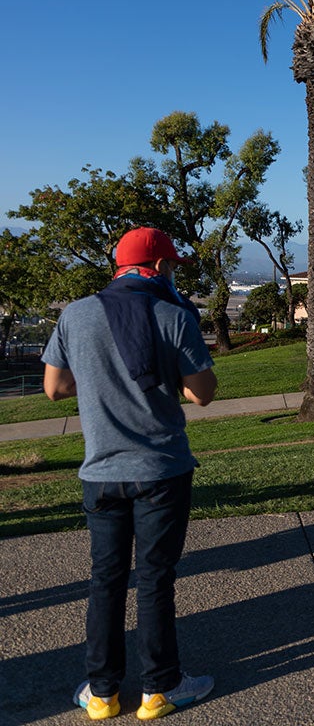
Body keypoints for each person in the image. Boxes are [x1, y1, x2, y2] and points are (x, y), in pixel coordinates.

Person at [42, 227, 217, 721]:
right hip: (162, 470)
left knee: (105, 580)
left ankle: (101, 694)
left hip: (100, 471)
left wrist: (97, 374)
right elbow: (202, 393)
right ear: (159, 266)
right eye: (172, 266)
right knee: (156, 578)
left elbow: (54, 388)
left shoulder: (75, 316)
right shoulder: (173, 315)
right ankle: (159, 690)